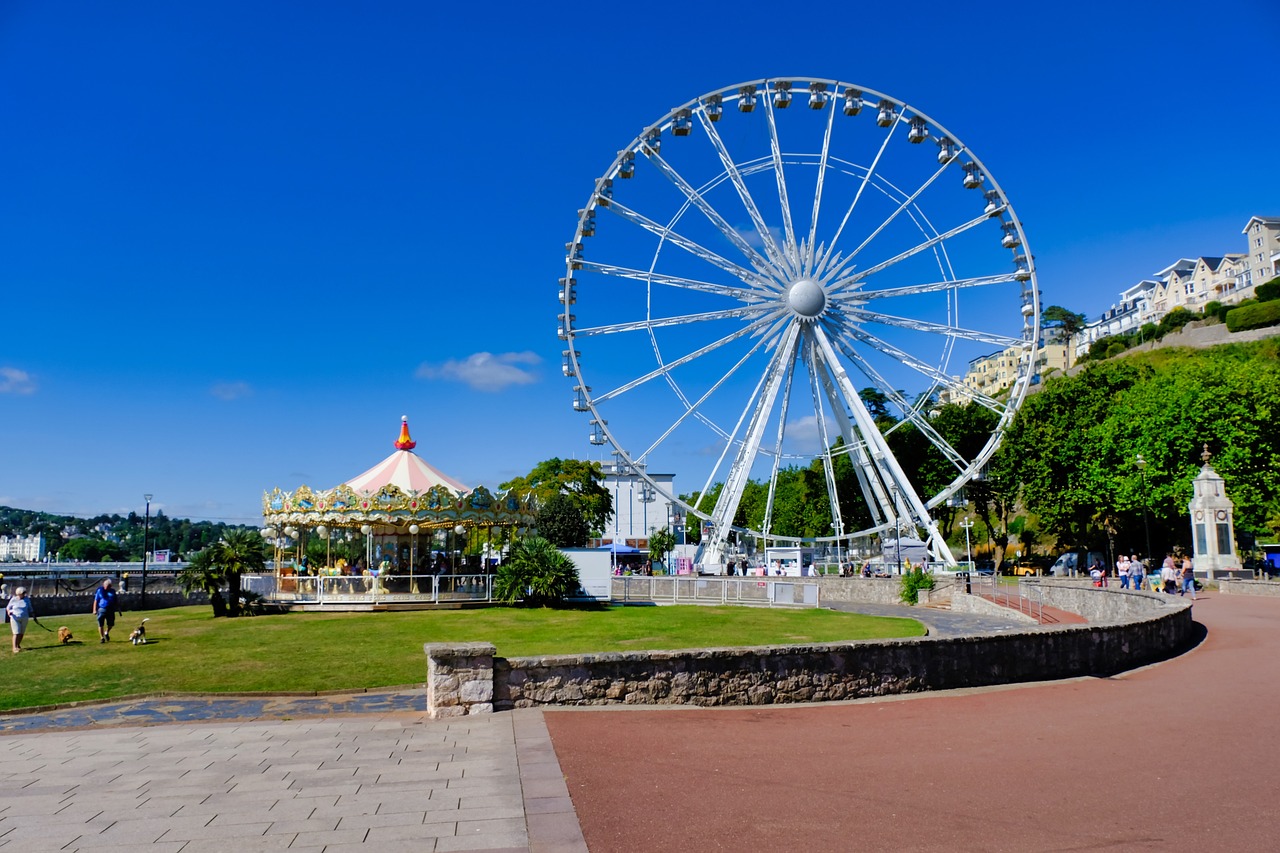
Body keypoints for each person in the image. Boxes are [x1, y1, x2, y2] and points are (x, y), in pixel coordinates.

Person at [93, 578, 120, 643]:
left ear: (110, 586)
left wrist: (118, 608)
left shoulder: (112, 591)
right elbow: (96, 600)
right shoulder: (100, 591)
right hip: (102, 609)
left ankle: (106, 632)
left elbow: (116, 600)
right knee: (100, 624)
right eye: (105, 586)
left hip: (110, 609)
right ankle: (102, 638)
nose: (106, 588)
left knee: (111, 624)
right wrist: (94, 609)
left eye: (108, 587)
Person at [7, 586, 31, 653]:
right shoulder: (13, 599)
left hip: (24, 618)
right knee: (16, 633)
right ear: (19, 593)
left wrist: (33, 613)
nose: (24, 594)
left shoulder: (27, 599)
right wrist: (9, 611)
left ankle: (18, 645)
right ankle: (14, 647)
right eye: (23, 593)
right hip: (15, 618)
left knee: (21, 633)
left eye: (24, 593)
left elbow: (30, 607)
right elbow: (8, 607)